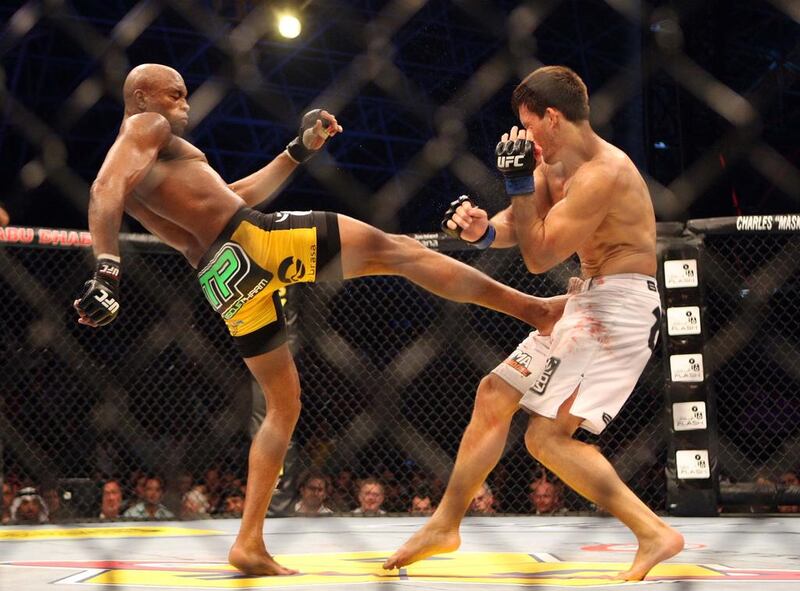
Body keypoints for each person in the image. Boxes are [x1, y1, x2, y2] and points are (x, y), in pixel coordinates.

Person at [73, 63, 566, 575]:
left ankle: (249, 542)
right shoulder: (144, 127)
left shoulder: (154, 162)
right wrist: (107, 270)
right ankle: (537, 308)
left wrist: (298, 151)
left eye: (184, 91)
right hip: (255, 242)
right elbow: (102, 190)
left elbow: (232, 196)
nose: (184, 98)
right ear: (141, 95)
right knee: (398, 251)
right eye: (172, 91)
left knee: (283, 406)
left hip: (222, 277)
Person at [385, 65, 684, 581]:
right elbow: (521, 224)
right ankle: (445, 524)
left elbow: (540, 254)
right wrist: (482, 229)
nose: (523, 137)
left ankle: (653, 532)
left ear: (551, 117)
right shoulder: (555, 166)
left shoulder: (604, 173)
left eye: (527, 124)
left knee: (545, 438)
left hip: (620, 310)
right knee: (495, 394)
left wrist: (519, 181)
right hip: (589, 303)